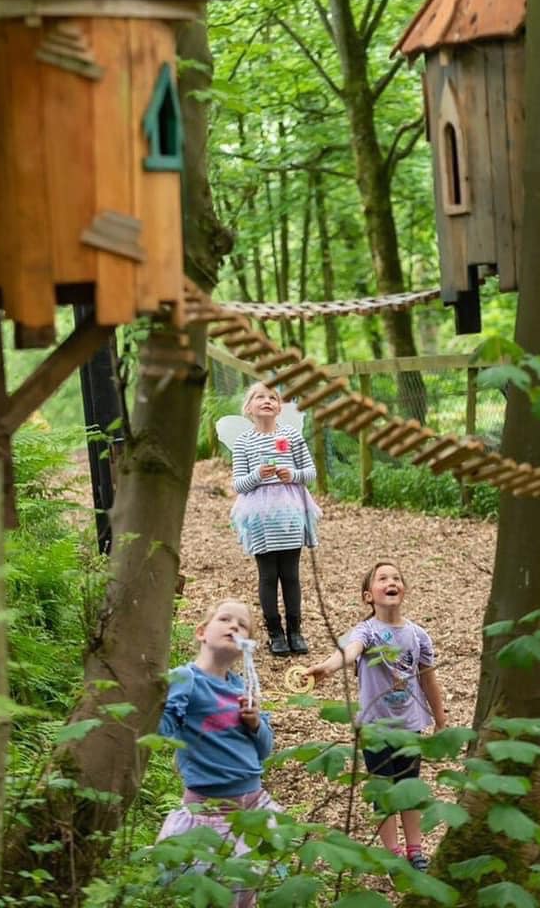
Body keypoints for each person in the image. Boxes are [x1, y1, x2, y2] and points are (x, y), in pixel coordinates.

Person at [305, 561, 447, 872]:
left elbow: (428, 679)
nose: (391, 581)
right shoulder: (367, 631)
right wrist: (325, 669)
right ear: (369, 596)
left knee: (409, 785)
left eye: (396, 577)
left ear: (403, 590)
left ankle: (415, 849)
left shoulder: (418, 635)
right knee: (382, 788)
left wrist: (440, 719)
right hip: (375, 727)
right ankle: (392, 852)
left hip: (410, 724)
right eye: (382, 578)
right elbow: (350, 651)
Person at [157, 598, 280, 907]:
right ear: (201, 632)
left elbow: (264, 751)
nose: (234, 626)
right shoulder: (186, 678)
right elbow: (164, 732)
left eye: (242, 625)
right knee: (213, 891)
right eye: (225, 619)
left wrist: (255, 725)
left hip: (251, 803)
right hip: (208, 809)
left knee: (247, 886)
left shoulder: (244, 687)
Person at [230, 382, 320, 657]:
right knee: (268, 574)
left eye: (272, 397)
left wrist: (291, 474)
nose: (266, 401)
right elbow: (238, 484)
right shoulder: (243, 442)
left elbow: (310, 472)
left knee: (290, 574)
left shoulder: (292, 436)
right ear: (249, 408)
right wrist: (258, 475)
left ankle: (295, 630)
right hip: (259, 516)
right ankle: (275, 633)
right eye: (259, 397)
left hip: (290, 512)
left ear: (279, 407)